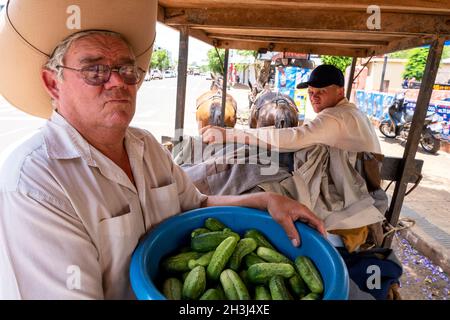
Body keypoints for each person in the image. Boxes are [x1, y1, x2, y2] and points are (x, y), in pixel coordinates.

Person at [0, 1, 324, 299]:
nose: (118, 82)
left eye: (127, 69)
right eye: (95, 70)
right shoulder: (34, 182)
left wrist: (267, 200)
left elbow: (197, 205)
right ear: (53, 83)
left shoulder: (147, 147)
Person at [201, 64, 381, 154]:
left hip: (354, 195)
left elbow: (293, 138)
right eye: (311, 92)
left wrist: (229, 134)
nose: (314, 97)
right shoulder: (353, 112)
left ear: (340, 91)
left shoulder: (335, 117)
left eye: (322, 91)